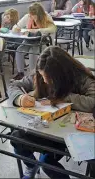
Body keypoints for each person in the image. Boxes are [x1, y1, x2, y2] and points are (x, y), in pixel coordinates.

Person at [8, 46, 95, 179]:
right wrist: (20, 98)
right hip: (45, 126)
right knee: (16, 138)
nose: (44, 81)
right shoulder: (39, 75)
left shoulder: (80, 77)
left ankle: (44, 160)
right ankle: (31, 165)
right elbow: (14, 85)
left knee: (46, 162)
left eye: (49, 77)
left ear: (62, 75)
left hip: (69, 133)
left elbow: (92, 101)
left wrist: (62, 98)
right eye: (42, 76)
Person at [12, 2, 56, 80]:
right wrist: (16, 29)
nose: (31, 17)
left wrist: (38, 30)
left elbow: (53, 28)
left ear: (39, 14)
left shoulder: (46, 17)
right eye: (30, 14)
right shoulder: (27, 17)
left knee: (32, 53)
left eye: (33, 15)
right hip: (29, 40)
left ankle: (33, 75)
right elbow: (16, 27)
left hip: (41, 41)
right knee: (19, 51)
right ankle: (20, 73)